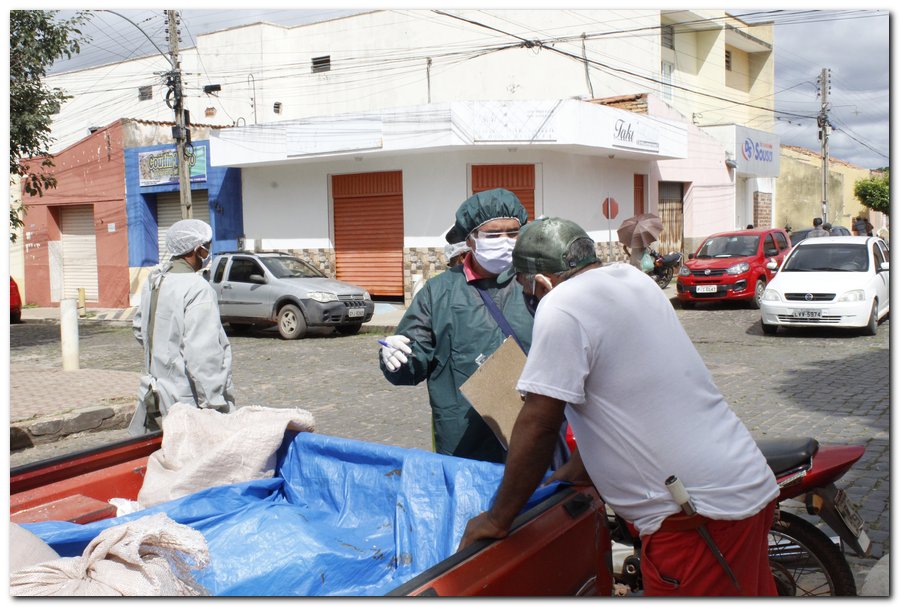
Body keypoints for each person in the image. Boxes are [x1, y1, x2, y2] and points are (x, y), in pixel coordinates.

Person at [458, 217, 780, 596]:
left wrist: (498, 518)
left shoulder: (562, 304)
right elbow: (626, 394)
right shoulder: (634, 281)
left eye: (526, 286)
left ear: (542, 280)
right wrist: (576, 470)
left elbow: (539, 421)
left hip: (698, 516)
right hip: (740, 487)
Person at [379, 188, 568, 465]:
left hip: (536, 437)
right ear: (470, 239)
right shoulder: (439, 293)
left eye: (513, 233)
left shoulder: (538, 283)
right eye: (493, 234)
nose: (505, 242)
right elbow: (413, 360)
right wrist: (398, 358)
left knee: (540, 506)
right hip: (465, 447)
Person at [129, 219, 236, 435]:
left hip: (156, 391)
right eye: (207, 248)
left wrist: (163, 352)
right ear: (197, 250)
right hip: (187, 398)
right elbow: (203, 354)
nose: (208, 254)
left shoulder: (155, 280)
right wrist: (214, 404)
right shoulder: (197, 288)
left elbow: (140, 328)